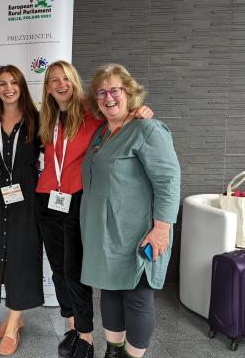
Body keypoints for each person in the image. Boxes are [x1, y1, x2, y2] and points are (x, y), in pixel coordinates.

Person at [35, 61, 153, 358]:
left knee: (74, 270)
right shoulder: (46, 118)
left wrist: (141, 112)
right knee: (59, 272)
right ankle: (72, 326)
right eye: (54, 80)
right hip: (47, 199)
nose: (60, 84)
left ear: (74, 82)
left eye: (66, 79)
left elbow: (123, 115)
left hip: (77, 199)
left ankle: (86, 336)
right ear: (47, 88)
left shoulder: (94, 113)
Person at [80, 63, 180, 358]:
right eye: (101, 92)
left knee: (136, 297)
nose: (108, 97)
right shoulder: (101, 133)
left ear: (129, 93)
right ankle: (114, 350)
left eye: (115, 90)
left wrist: (162, 228)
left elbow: (168, 181)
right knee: (110, 291)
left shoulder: (147, 129)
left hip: (137, 231)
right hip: (106, 234)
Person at [0, 65, 42, 356]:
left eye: (13, 82)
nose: (8, 88)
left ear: (21, 86)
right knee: (1, 254)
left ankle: (15, 323)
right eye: (2, 83)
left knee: (21, 254)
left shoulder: (36, 119)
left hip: (26, 194)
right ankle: (14, 313)